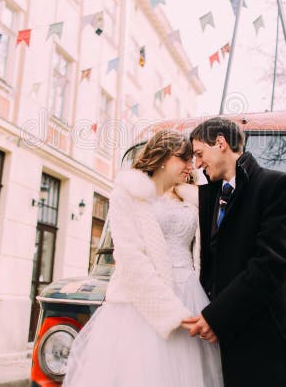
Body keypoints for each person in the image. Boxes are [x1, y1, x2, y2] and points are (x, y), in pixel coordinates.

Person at [64, 129, 223, 387]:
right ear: (162, 157)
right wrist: (174, 313)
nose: (191, 165)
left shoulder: (194, 198)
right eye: (183, 158)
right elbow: (131, 261)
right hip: (140, 305)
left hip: (192, 296)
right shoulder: (126, 195)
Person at [184, 117, 286, 387]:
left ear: (220, 143)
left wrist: (217, 317)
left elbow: (271, 265)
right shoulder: (209, 194)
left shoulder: (277, 186)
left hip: (267, 342)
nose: (197, 164)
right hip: (228, 340)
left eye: (199, 154)